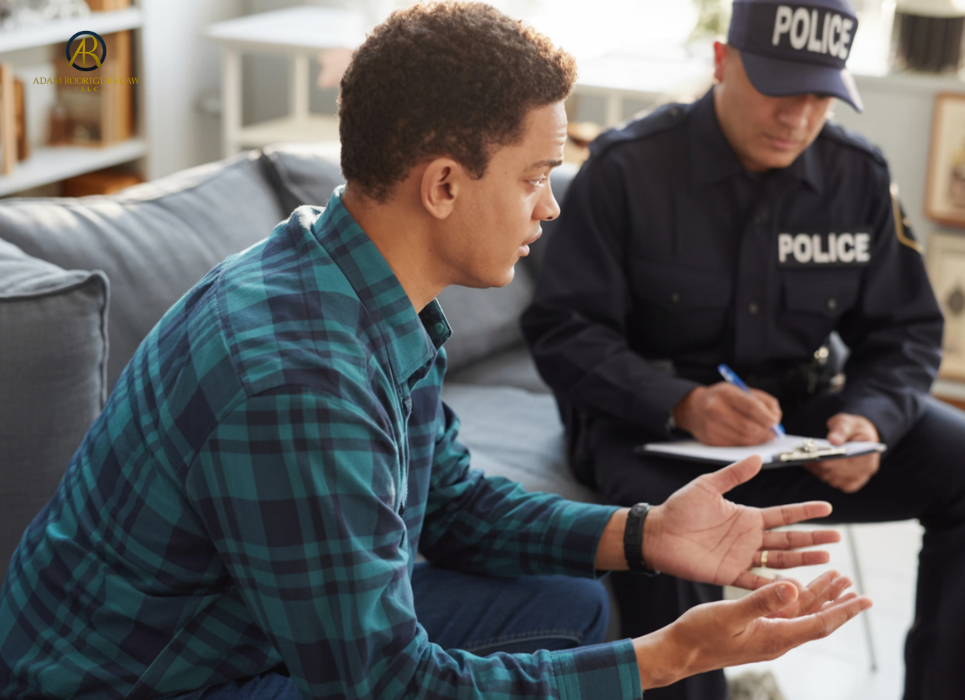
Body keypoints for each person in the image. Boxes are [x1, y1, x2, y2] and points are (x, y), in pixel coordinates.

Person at [0, 4, 870, 700]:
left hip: (245, 631)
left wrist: (644, 535)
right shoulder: (298, 380)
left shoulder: (346, 276)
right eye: (534, 178)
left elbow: (446, 503)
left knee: (567, 605)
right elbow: (384, 681)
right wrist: (660, 659)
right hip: (148, 682)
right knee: (606, 659)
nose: (550, 208)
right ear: (444, 185)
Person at [522, 0, 965, 698]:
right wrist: (683, 404)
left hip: (800, 427)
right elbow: (564, 330)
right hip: (653, 434)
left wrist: (871, 417)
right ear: (721, 62)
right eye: (779, 89)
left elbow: (904, 331)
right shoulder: (626, 169)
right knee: (658, 528)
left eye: (820, 96)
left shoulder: (856, 175)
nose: (798, 117)